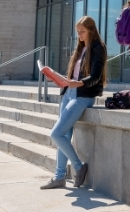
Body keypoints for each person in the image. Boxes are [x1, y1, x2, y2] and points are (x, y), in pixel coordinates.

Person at [40, 16, 108, 190]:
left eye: (82, 31)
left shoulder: (98, 48)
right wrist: (60, 80)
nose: (79, 35)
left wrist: (79, 83)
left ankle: (78, 167)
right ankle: (59, 177)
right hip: (69, 94)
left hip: (82, 95)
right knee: (64, 134)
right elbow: (74, 76)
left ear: (91, 31)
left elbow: (96, 77)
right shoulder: (80, 48)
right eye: (78, 32)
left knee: (56, 134)